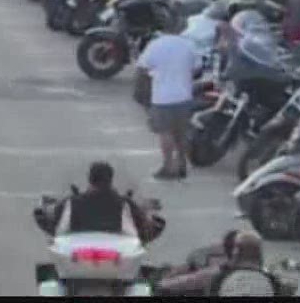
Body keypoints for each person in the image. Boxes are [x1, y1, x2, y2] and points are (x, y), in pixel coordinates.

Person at [138, 15, 199, 180]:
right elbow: (197, 68)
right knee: (181, 132)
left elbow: (142, 67)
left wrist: (153, 77)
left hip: (162, 96)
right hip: (184, 96)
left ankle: (167, 166)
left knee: (165, 132)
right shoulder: (190, 45)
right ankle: (181, 163)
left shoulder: (156, 45)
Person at [58, 161, 148, 236]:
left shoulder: (73, 201)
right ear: (111, 179)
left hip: (79, 247)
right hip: (118, 247)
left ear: (90, 179)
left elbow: (58, 227)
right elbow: (142, 227)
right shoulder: (124, 202)